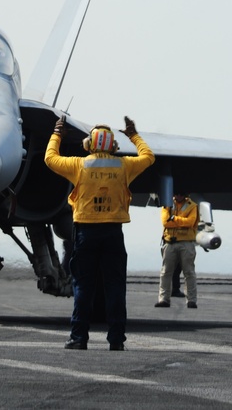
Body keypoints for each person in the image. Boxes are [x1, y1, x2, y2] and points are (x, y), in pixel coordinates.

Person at [45, 116, 155, 351]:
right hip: (113, 232)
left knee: (83, 287)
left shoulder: (79, 165)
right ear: (113, 146)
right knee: (115, 287)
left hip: (86, 232)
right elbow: (148, 157)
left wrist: (57, 134)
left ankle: (78, 338)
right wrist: (134, 135)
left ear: (89, 144)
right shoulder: (123, 165)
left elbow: (50, 159)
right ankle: (116, 340)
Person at [155, 191, 199, 308]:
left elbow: (190, 222)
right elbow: (165, 221)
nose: (179, 196)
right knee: (165, 272)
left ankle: (191, 300)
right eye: (177, 193)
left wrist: (173, 219)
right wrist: (180, 221)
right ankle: (163, 299)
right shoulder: (167, 205)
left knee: (189, 272)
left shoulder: (192, 206)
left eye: (181, 193)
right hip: (170, 243)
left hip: (186, 243)